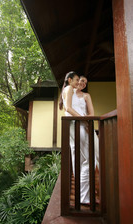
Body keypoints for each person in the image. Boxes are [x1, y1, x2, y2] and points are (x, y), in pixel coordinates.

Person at [59, 72, 99, 204]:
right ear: (71, 80)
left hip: (79, 125)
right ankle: (83, 195)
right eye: (78, 80)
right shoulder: (69, 89)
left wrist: (87, 121)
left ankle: (84, 190)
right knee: (86, 158)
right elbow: (68, 108)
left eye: (84, 82)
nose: (80, 83)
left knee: (85, 158)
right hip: (76, 125)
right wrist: (83, 120)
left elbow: (70, 109)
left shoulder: (81, 94)